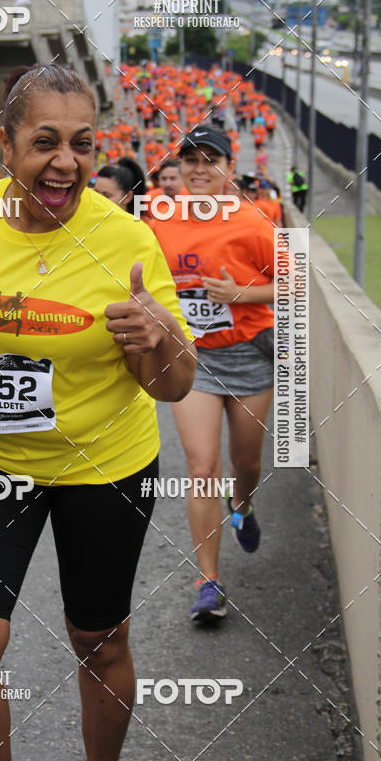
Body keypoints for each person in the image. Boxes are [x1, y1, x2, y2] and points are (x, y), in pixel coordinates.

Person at [0, 64, 196, 761]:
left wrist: (158, 338)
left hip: (106, 465)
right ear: (6, 143)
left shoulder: (127, 238)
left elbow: (174, 385)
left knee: (99, 640)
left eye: (84, 144)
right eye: (46, 142)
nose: (67, 161)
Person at [151, 126, 275, 623]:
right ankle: (208, 581)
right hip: (193, 359)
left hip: (248, 353)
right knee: (202, 467)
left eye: (210, 159)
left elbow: (295, 281)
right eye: (190, 160)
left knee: (244, 463)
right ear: (178, 167)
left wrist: (241, 295)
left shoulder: (253, 222)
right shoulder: (160, 219)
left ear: (228, 165)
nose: (199, 168)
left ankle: (242, 504)